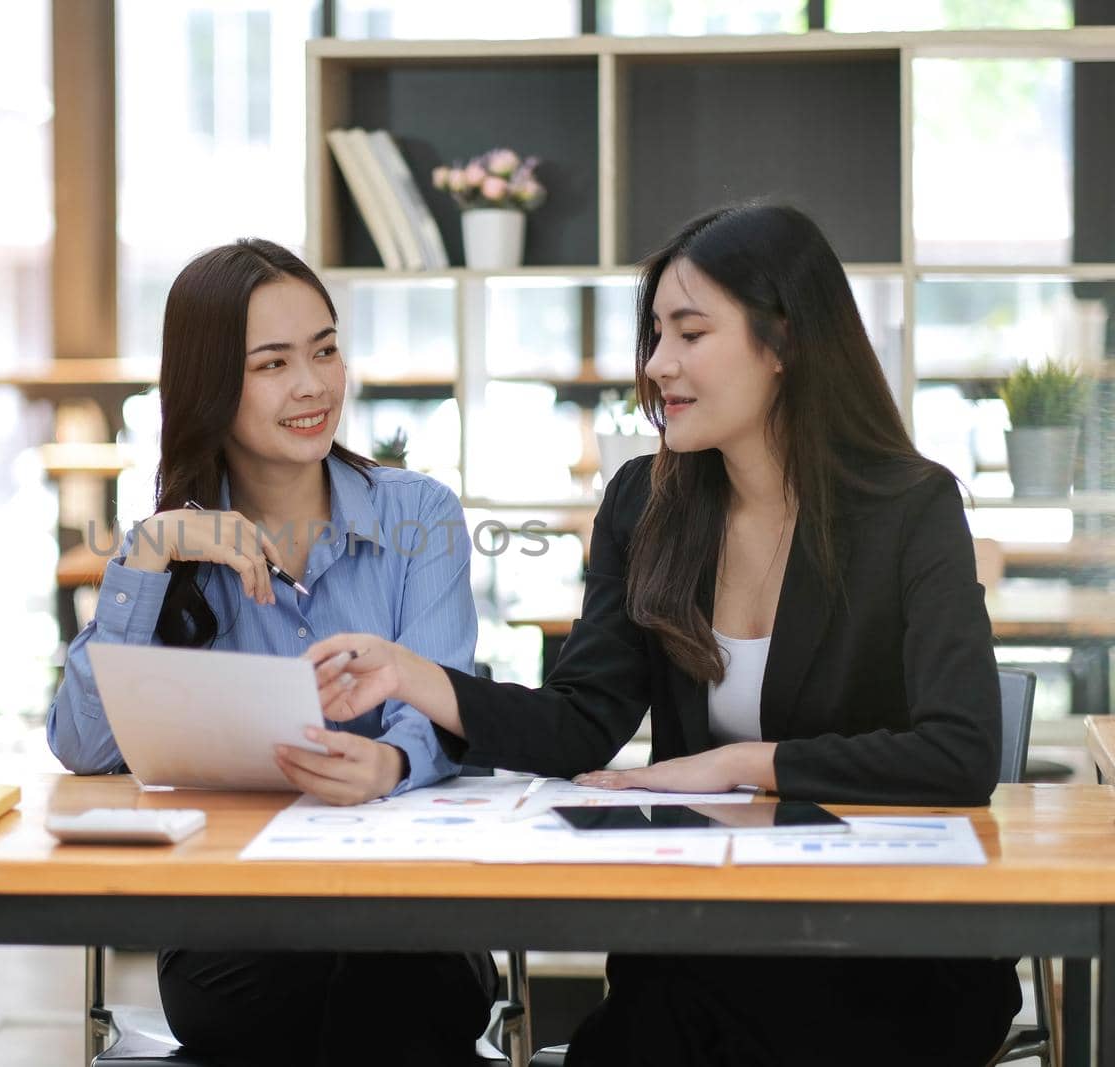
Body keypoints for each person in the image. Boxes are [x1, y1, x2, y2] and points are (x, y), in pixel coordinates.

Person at [306, 204, 1021, 1067]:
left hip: (882, 952)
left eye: (689, 332)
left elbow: (960, 751)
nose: (657, 366)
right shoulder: (646, 504)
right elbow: (581, 721)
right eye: (654, 335)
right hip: (709, 943)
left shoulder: (912, 508)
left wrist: (741, 764)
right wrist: (413, 675)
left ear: (784, 341)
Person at [47, 238, 495, 1067]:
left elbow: (445, 696)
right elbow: (83, 745)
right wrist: (148, 552)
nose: (314, 385)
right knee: (302, 997)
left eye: (325, 349)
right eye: (274, 363)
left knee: (386, 988)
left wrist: (391, 764)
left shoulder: (420, 515)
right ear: (212, 385)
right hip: (235, 922)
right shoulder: (166, 546)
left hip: (410, 910)